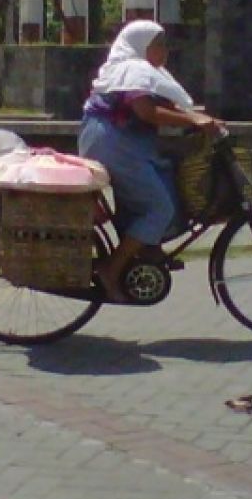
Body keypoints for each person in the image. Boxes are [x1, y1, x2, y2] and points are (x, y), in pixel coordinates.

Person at [79, 20, 224, 302]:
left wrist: (201, 118)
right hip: (113, 142)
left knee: (163, 180)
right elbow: (146, 112)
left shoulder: (137, 71)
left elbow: (171, 106)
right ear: (143, 46)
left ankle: (146, 249)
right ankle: (112, 269)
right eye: (160, 44)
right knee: (160, 207)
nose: (165, 50)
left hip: (117, 140)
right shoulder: (133, 70)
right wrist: (193, 119)